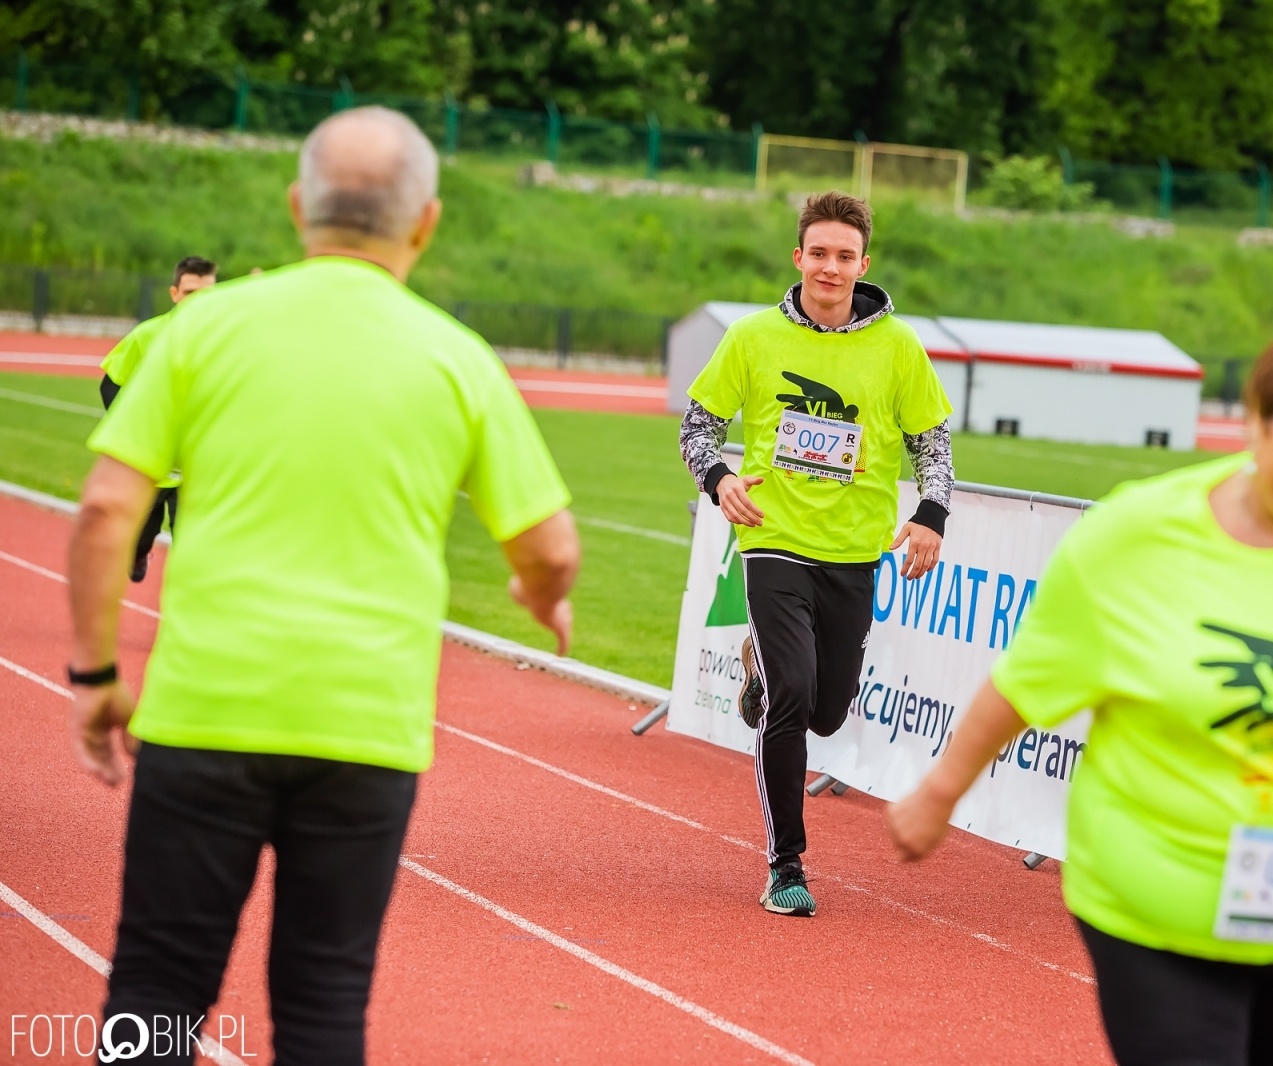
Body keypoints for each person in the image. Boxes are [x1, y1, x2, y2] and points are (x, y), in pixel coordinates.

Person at [65, 106, 580, 1064]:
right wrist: (541, 597)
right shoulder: (458, 357)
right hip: (364, 729)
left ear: (298, 207)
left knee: (156, 994)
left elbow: (103, 513)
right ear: (426, 222)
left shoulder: (201, 329)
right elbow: (550, 548)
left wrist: (96, 678)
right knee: (322, 1005)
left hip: (206, 713)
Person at [887, 329, 1273, 1066]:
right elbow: (1025, 685)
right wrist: (939, 794)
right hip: (1156, 904)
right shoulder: (1138, 536)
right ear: (1256, 418)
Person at [680, 190, 955, 917]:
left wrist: (932, 514)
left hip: (855, 550)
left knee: (828, 712)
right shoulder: (752, 337)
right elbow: (698, 429)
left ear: (863, 264)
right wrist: (719, 480)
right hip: (773, 538)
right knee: (794, 697)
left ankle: (759, 668)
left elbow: (933, 445)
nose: (830, 267)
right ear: (798, 257)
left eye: (845, 256)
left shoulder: (898, 346)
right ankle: (786, 866)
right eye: (820, 253)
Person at [98, 255, 217, 582]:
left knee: (192, 548)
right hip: (153, 467)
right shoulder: (146, 336)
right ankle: (139, 551)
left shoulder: (226, 341)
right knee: (140, 535)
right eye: (190, 292)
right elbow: (111, 386)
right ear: (174, 293)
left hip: (197, 469)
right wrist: (136, 435)